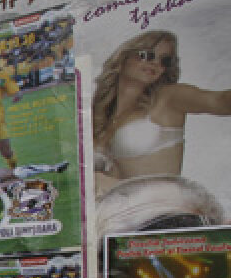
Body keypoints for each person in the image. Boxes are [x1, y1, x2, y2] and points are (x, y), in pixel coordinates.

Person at [91, 31, 231, 195]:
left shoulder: (167, 98)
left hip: (162, 214)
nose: (155, 64)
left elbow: (220, 101)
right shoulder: (97, 115)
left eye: (165, 60)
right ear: (123, 58)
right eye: (147, 55)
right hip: (114, 216)